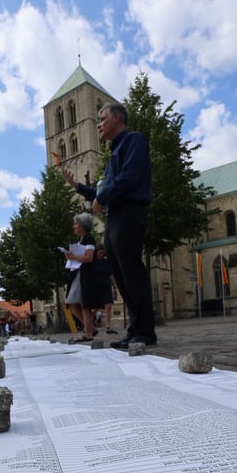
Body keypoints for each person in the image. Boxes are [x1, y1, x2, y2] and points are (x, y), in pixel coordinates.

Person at [62, 102, 156, 348]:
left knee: (132, 272)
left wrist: (102, 198)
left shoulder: (134, 141)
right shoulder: (113, 153)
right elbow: (104, 190)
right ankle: (135, 328)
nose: (98, 125)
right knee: (122, 276)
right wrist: (79, 187)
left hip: (129, 212)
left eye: (102, 118)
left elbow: (128, 178)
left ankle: (145, 331)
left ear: (117, 118)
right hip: (115, 216)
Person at [63, 213, 98, 342]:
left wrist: (73, 257)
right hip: (77, 274)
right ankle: (90, 328)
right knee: (73, 304)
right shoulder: (81, 241)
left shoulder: (89, 239)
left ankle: (88, 333)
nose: (74, 226)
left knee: (84, 303)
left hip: (84, 275)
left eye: (76, 224)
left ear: (82, 225)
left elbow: (89, 257)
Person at [92, 243, 117, 336]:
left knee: (108, 306)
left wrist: (114, 286)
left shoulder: (106, 262)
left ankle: (108, 326)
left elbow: (110, 275)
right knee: (95, 308)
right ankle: (88, 324)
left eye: (103, 253)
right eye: (100, 253)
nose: (102, 254)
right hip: (96, 287)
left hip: (106, 286)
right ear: (96, 252)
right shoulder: (92, 263)